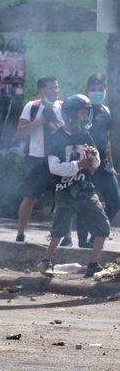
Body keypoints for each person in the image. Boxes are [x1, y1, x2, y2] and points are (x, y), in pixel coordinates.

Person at [37, 94, 110, 279]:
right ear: (70, 114)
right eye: (82, 113)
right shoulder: (56, 137)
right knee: (60, 230)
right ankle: (46, 261)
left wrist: (93, 158)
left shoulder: (85, 134)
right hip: (65, 190)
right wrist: (79, 164)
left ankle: (93, 265)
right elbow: (54, 168)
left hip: (85, 188)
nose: (85, 117)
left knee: (102, 226)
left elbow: (96, 163)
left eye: (87, 113)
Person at [15, 76, 68, 244]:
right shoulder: (32, 107)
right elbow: (21, 132)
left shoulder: (64, 107)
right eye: (51, 87)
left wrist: (55, 121)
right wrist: (41, 121)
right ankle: (20, 234)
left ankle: (66, 237)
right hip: (36, 158)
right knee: (30, 197)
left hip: (59, 159)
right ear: (42, 90)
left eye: (57, 87)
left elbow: (70, 131)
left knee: (64, 198)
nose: (55, 91)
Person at [76, 73, 120, 248]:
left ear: (105, 90)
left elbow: (107, 140)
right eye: (93, 90)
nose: (97, 93)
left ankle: (97, 233)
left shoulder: (105, 110)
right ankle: (82, 240)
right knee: (85, 201)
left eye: (100, 90)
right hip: (87, 163)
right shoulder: (84, 110)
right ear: (87, 90)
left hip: (104, 164)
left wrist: (112, 166)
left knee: (115, 200)